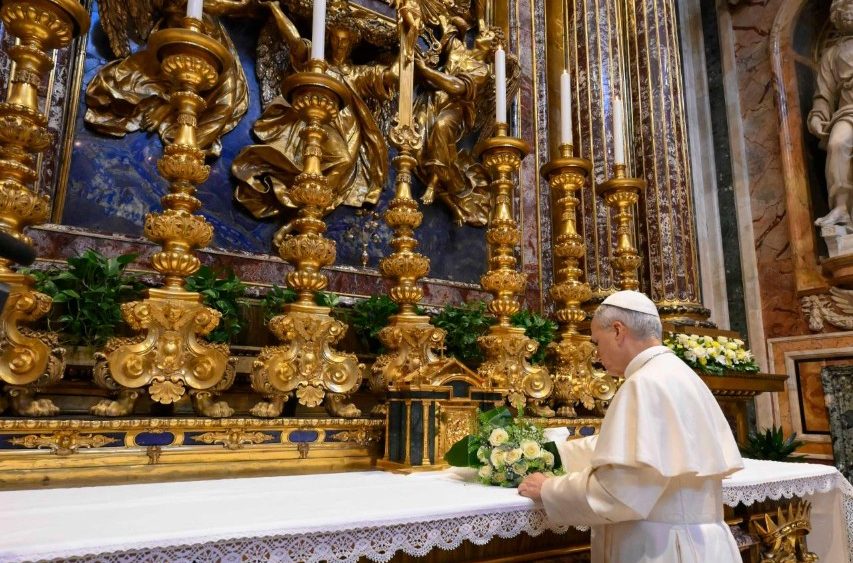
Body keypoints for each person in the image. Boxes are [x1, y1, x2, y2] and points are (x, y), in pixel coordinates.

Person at [518, 290, 744, 562]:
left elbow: (619, 494)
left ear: (617, 331)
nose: (596, 354)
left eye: (596, 342)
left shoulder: (644, 383)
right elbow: (633, 449)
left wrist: (548, 488)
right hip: (698, 545)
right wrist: (552, 452)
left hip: (662, 549)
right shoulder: (679, 373)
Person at [808, 0, 853, 227]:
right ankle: (841, 207)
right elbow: (823, 94)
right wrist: (817, 116)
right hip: (848, 113)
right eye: (842, 12)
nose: (847, 14)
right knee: (837, 144)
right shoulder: (832, 55)